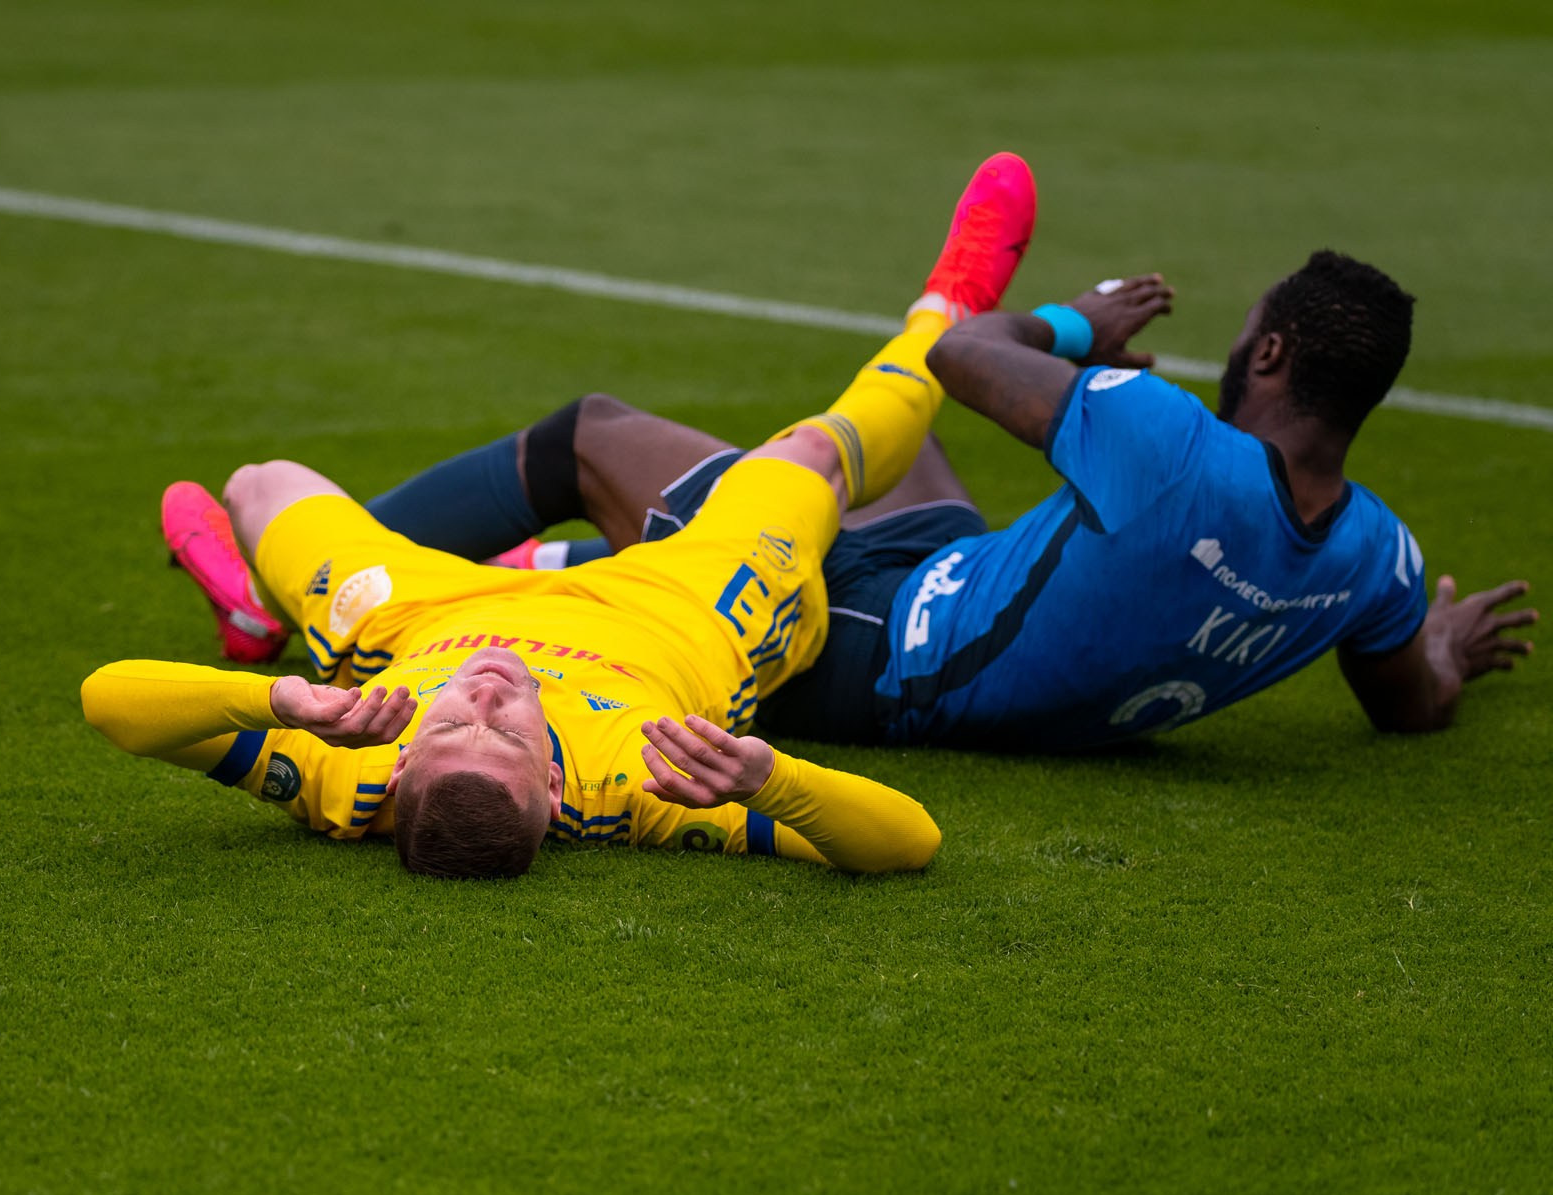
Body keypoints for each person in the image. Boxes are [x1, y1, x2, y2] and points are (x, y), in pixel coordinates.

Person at [81, 156, 1045, 876]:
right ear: (551, 788)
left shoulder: (345, 773)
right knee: (808, 458)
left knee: (262, 482)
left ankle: (258, 614)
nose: (486, 697)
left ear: (404, 755)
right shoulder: (640, 788)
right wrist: (768, 782)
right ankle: (945, 307)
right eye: (502, 734)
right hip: (683, 608)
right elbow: (911, 842)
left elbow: (109, 701)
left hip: (424, 614)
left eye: (449, 723)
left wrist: (280, 703)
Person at [208, 233, 1534, 749]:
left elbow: (967, 356)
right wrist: (1449, 650)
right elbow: (1406, 701)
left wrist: (1073, 326)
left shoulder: (1177, 442)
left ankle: (340, 590)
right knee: (875, 443)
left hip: (875, 652)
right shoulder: (1379, 562)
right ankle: (552, 585)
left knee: (591, 437)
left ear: (1274, 352)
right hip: (964, 596)